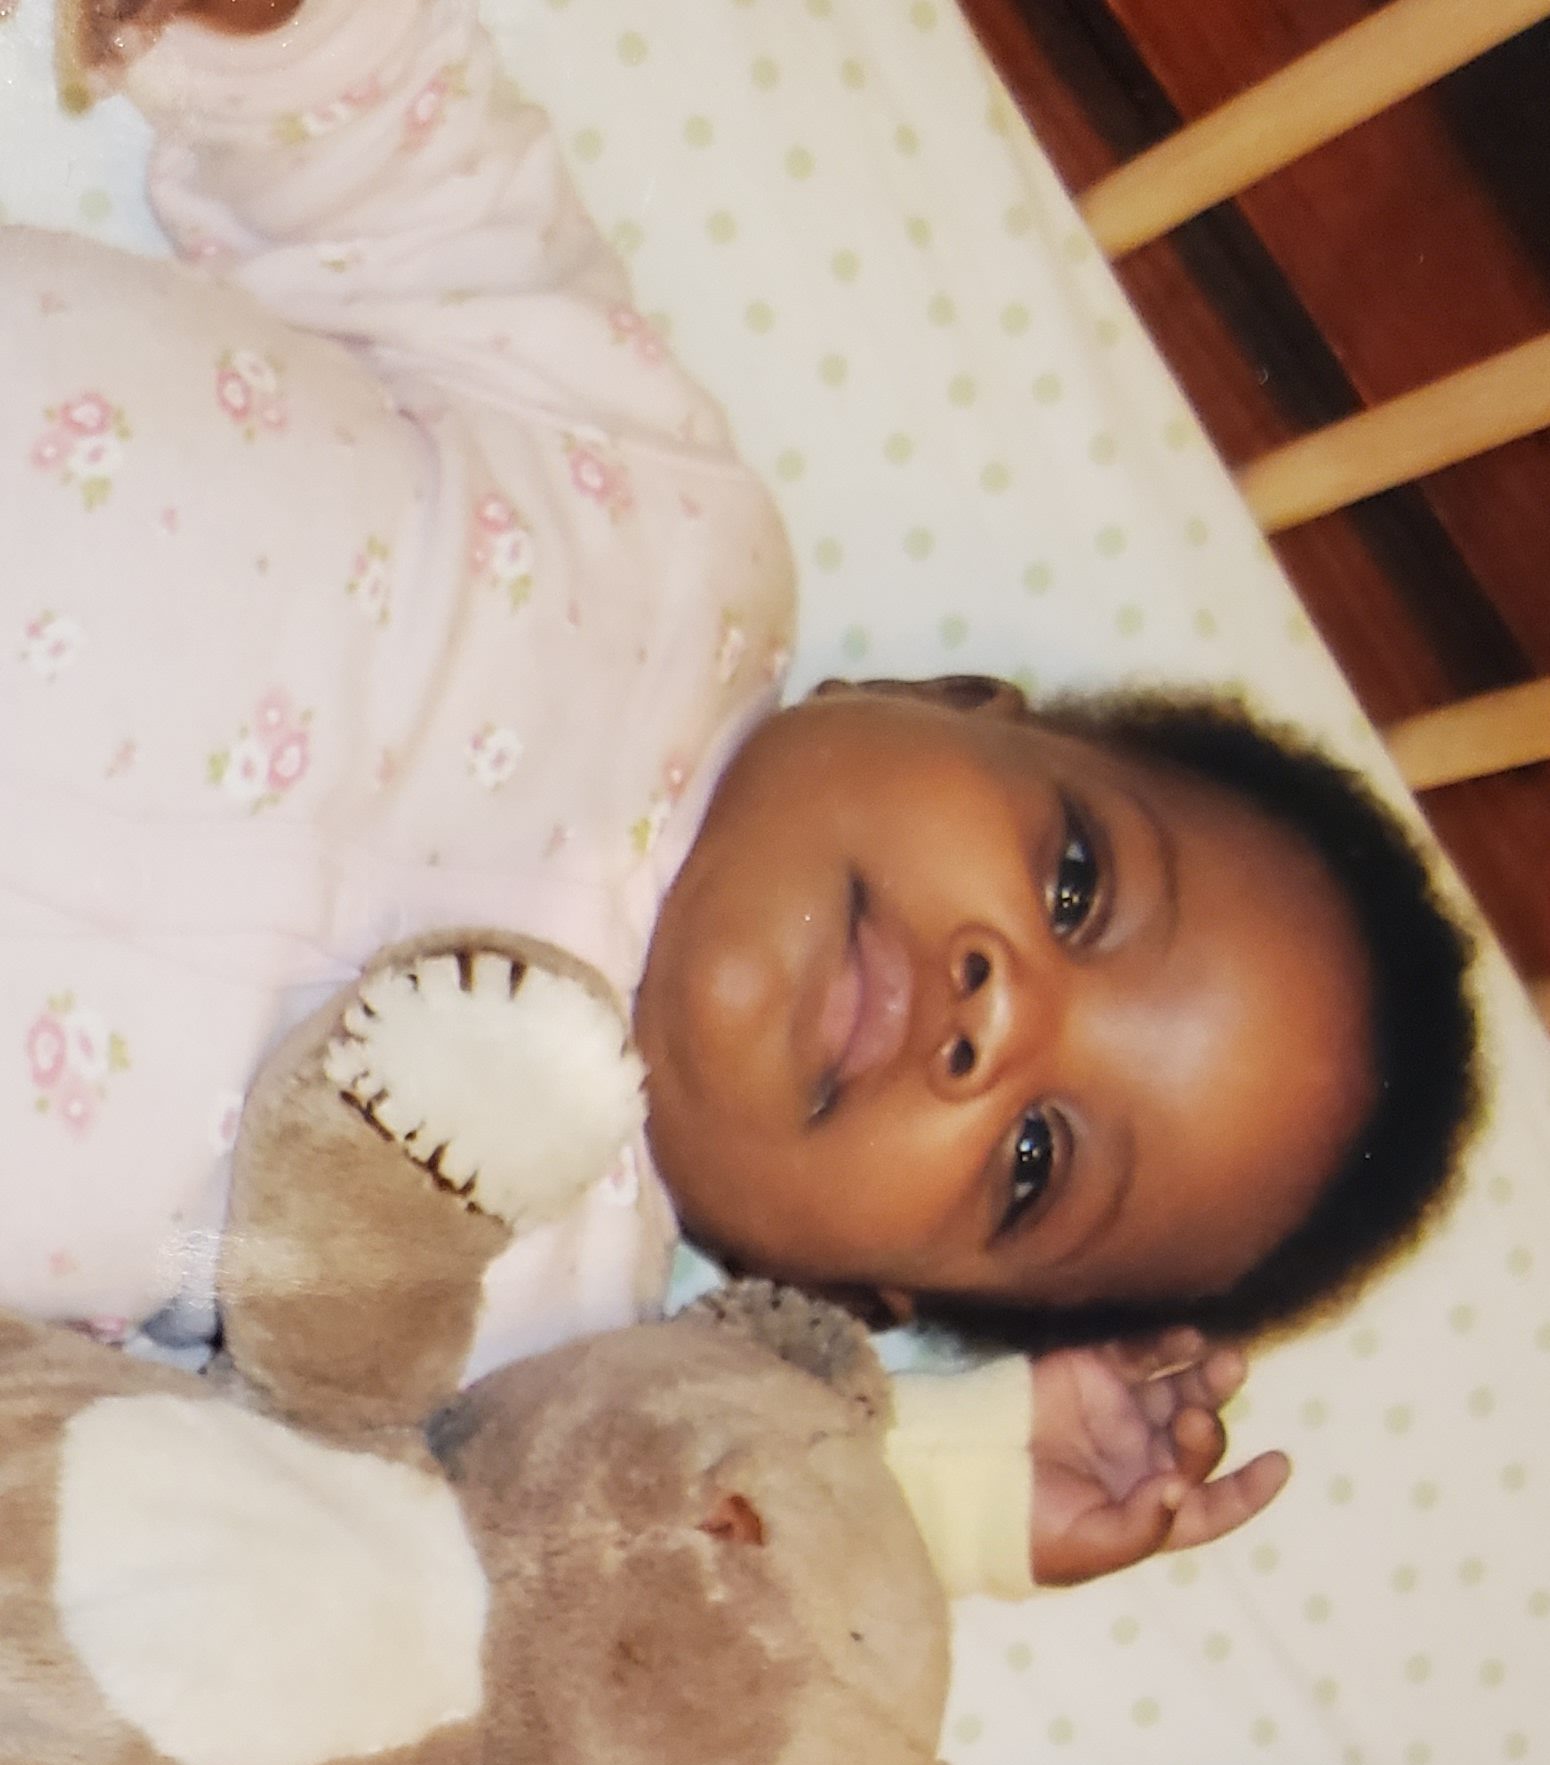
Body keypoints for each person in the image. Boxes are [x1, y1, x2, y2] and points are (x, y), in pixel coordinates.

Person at [0, 0, 1477, 1594]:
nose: (996, 1017)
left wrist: (936, 1479)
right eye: (1073, 886)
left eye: (1033, 1160)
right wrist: (277, 31)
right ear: (950, 700)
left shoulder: (541, 1350)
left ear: (855, 1296)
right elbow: (419, 186)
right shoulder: (667, 526)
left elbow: (556, 1593)